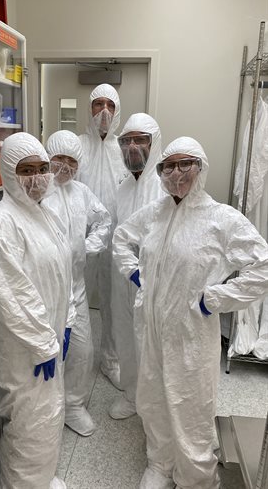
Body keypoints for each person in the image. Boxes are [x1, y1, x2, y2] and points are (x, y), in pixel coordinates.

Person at [112, 137, 268, 489]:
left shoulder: (220, 218)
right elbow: (121, 238)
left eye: (187, 164)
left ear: (201, 167)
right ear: (161, 172)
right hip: (151, 329)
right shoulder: (156, 211)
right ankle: (160, 464)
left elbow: (263, 266)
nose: (177, 173)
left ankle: (197, 478)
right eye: (169, 166)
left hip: (192, 334)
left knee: (191, 408)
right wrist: (135, 273)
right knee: (152, 399)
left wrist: (214, 298)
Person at [0, 132, 75, 489]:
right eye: (26, 170)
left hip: (46, 337)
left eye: (42, 168)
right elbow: (11, 295)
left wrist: (66, 322)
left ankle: (40, 478)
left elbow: (64, 274)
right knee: (29, 420)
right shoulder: (0, 223)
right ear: (10, 174)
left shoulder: (45, 215)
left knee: (48, 416)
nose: (37, 178)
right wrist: (42, 342)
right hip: (23, 348)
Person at [44, 130, 111, 437]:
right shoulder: (38, 193)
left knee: (82, 350)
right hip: (46, 289)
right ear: (49, 157)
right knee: (49, 352)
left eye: (72, 161)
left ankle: (73, 405)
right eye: (60, 159)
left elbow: (104, 221)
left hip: (77, 287)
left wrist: (88, 246)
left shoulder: (82, 192)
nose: (66, 167)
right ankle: (48, 408)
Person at [109, 112, 164, 420]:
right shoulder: (123, 188)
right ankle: (131, 395)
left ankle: (152, 407)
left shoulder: (164, 187)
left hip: (151, 281)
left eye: (140, 140)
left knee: (150, 345)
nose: (132, 148)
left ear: (153, 143)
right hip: (122, 278)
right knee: (126, 338)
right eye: (126, 141)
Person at [77, 83, 128, 389]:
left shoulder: (124, 149)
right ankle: (73, 359)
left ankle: (110, 359)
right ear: (90, 109)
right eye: (98, 104)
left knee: (113, 301)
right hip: (79, 238)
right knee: (74, 296)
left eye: (110, 105)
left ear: (117, 110)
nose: (104, 111)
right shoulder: (78, 146)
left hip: (114, 238)